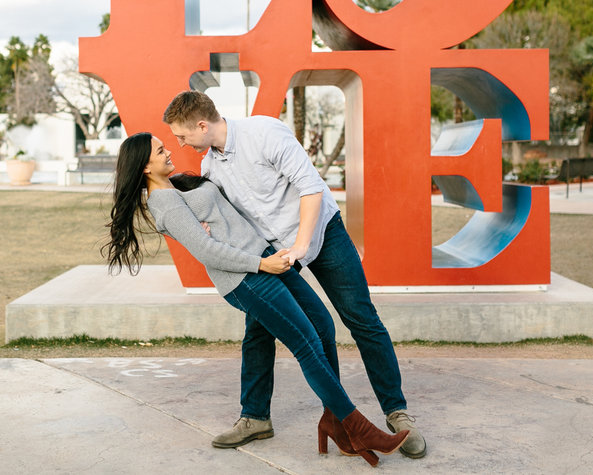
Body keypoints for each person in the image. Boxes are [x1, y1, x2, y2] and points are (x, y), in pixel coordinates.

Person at [104, 132, 408, 467]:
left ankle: (333, 421)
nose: (169, 151)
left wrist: (265, 255)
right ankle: (356, 427)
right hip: (246, 277)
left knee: (322, 326)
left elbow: (221, 218)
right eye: (160, 150)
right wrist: (261, 263)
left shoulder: (176, 184)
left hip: (265, 258)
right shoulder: (163, 203)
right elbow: (206, 250)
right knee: (306, 341)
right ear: (145, 166)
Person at [163, 91, 426, 459]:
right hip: (274, 253)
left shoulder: (265, 132)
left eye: (182, 135)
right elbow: (223, 217)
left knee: (362, 319)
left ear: (202, 125)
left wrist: (301, 246)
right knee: (258, 329)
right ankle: (256, 417)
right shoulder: (210, 169)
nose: (180, 143)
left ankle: (398, 413)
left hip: (321, 233)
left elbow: (310, 185)